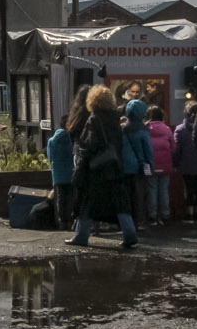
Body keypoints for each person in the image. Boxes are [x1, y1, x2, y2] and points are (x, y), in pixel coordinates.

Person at [69, 85, 137, 250]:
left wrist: (80, 166)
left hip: (96, 170)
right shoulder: (115, 119)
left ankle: (81, 236)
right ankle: (130, 235)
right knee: (120, 204)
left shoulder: (94, 119)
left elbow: (88, 145)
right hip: (114, 167)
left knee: (87, 203)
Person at [48, 87, 87, 232]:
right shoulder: (70, 138)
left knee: (59, 198)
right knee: (70, 198)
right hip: (70, 173)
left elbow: (50, 155)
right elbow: (72, 154)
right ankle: (70, 219)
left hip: (57, 174)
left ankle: (61, 221)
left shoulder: (53, 139)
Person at [119, 84, 155, 225]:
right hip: (140, 166)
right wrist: (151, 166)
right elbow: (148, 150)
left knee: (127, 195)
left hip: (125, 166)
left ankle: (128, 221)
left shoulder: (123, 128)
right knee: (139, 195)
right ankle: (140, 220)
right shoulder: (143, 129)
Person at [175, 102, 197, 225]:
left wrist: (176, 163)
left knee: (189, 189)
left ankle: (189, 213)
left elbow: (177, 149)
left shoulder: (180, 130)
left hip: (186, 164)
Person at [146, 107, 175, 225]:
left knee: (152, 189)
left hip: (151, 164)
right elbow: (173, 147)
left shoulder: (146, 129)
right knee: (164, 189)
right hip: (165, 164)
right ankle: (165, 214)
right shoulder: (167, 129)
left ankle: (152, 215)